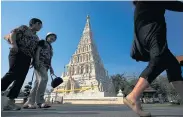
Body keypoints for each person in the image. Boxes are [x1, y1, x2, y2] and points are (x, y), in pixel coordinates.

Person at [124, 1, 183, 117]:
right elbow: (174, 4)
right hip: (152, 30)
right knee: (159, 58)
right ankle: (133, 96)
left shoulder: (141, 5)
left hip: (146, 32)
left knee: (173, 65)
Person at [2, 18, 42, 110]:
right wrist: (14, 44)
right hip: (17, 52)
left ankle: (10, 102)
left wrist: (33, 60)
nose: (40, 27)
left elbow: (34, 49)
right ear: (34, 23)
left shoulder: (36, 37)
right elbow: (13, 33)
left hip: (27, 57)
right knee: (13, 73)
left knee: (20, 79)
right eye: (39, 24)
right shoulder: (24, 28)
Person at [23, 32, 57, 109]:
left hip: (46, 65)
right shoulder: (42, 42)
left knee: (38, 82)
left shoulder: (50, 47)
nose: (52, 39)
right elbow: (38, 51)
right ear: (47, 37)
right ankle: (40, 101)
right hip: (40, 62)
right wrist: (36, 60)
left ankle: (29, 102)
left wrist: (51, 68)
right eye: (51, 37)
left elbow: (49, 58)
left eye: (54, 38)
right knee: (44, 79)